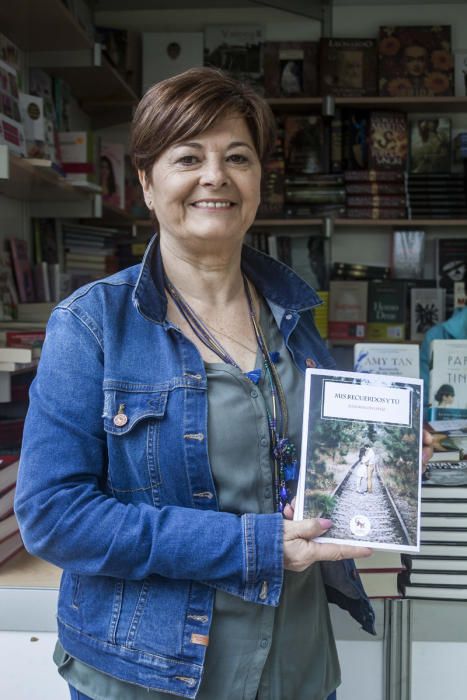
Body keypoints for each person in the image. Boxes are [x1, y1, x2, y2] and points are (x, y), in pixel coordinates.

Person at [14, 67, 432, 700]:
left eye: (237, 157)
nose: (216, 176)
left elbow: (314, 473)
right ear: (148, 184)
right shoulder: (92, 324)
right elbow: (54, 516)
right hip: (150, 673)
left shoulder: (295, 316)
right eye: (189, 157)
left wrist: (383, 457)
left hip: (295, 663)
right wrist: (252, 545)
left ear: (258, 181)